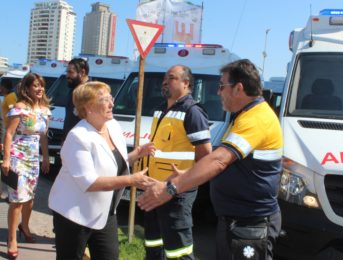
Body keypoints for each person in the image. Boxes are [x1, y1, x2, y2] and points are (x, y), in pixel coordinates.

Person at [138, 59, 283, 260]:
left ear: (238, 88)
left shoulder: (256, 119)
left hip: (250, 221)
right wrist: (188, 174)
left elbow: (219, 160)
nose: (217, 92)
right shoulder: (244, 116)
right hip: (237, 220)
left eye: (221, 86)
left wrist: (172, 187)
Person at [48, 81, 156, 260]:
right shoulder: (78, 137)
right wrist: (131, 180)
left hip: (104, 213)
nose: (112, 103)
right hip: (74, 215)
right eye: (105, 99)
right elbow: (89, 182)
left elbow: (110, 164)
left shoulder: (113, 125)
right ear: (89, 106)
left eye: (110, 97)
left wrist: (135, 154)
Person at [141, 64, 212, 259]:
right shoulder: (160, 109)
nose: (165, 81)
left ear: (186, 83)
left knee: (178, 251)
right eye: (165, 77)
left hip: (176, 192)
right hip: (154, 188)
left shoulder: (193, 112)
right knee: (153, 244)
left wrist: (184, 180)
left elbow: (206, 156)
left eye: (171, 78)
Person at [2, 73, 51, 259]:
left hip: (33, 159)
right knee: (17, 200)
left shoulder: (45, 110)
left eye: (42, 86)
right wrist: (6, 159)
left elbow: (44, 136)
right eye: (36, 85)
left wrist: (45, 157)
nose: (39, 89)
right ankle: (12, 238)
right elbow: (9, 134)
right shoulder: (19, 108)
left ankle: (26, 226)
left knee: (30, 198)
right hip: (17, 157)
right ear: (27, 88)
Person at [63, 57, 89, 139]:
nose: (67, 76)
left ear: (82, 72)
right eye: (67, 72)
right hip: (70, 140)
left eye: (70, 72)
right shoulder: (73, 89)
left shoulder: (91, 92)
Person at [0, 78, 17, 200]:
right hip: (7, 131)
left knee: (6, 162)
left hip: (8, 131)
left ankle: (8, 193)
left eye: (1, 86)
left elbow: (13, 112)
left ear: (4, 87)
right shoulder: (8, 97)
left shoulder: (10, 97)